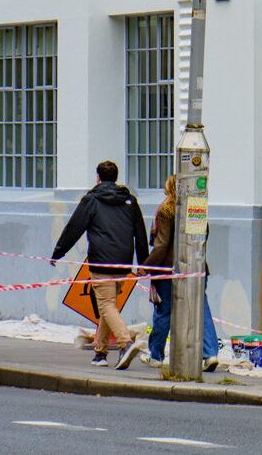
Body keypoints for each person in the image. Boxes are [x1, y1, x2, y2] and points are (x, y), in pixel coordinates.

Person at [52, 159, 149, 369]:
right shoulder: (130, 201)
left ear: (97, 178)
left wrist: (58, 253)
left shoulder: (91, 200)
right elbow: (140, 233)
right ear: (115, 178)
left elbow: (73, 228)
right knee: (109, 306)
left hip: (101, 261)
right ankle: (100, 353)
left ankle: (125, 343)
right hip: (123, 263)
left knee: (105, 305)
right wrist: (143, 262)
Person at [140, 175, 220, 372]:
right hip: (196, 269)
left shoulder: (165, 211)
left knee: (163, 311)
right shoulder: (196, 209)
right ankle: (210, 354)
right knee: (201, 310)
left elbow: (161, 245)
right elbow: (203, 237)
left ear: (169, 188)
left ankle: (156, 355)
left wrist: (147, 266)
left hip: (169, 270)